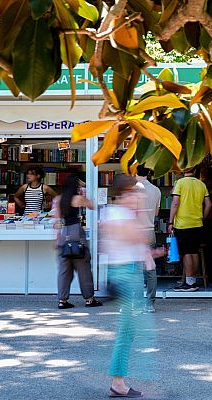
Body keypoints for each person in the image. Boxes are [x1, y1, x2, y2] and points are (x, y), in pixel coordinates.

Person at [101, 175, 164, 398]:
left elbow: (133, 243)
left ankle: (122, 379)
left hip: (129, 272)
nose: (139, 196)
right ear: (125, 193)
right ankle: (119, 382)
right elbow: (134, 237)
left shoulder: (114, 213)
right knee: (130, 331)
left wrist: (148, 254)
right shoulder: (119, 214)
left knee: (132, 330)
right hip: (127, 275)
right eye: (135, 192)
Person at [53, 174, 101, 310]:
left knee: (64, 270)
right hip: (76, 232)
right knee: (83, 267)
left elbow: (57, 221)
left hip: (63, 234)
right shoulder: (78, 198)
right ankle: (89, 299)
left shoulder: (58, 199)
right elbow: (92, 205)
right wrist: (84, 188)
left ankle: (62, 300)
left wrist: (57, 239)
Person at [169, 167, 212, 292]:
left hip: (183, 223)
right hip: (197, 223)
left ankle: (189, 283)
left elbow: (175, 202)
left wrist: (171, 221)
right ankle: (193, 281)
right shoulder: (201, 184)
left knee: (186, 252)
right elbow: (209, 204)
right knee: (194, 252)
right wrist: (202, 217)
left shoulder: (180, 183)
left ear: (183, 170)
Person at [135, 166, 161, 313]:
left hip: (136, 233)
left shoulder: (135, 189)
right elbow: (156, 213)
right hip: (150, 231)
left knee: (136, 270)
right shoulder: (156, 190)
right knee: (150, 268)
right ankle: (150, 303)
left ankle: (137, 303)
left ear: (135, 172)